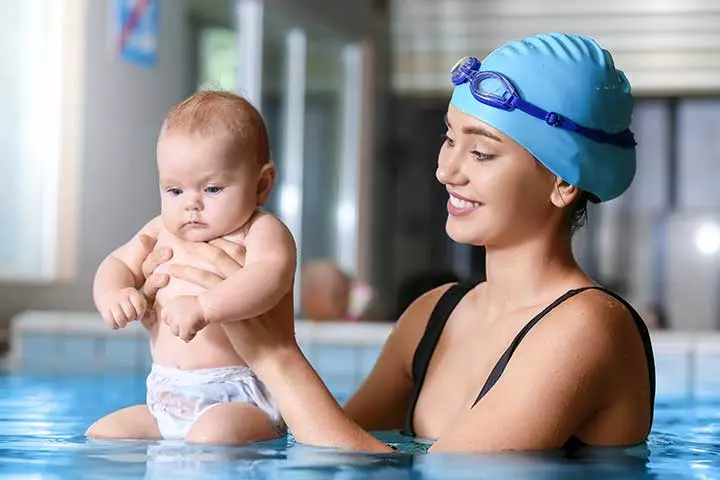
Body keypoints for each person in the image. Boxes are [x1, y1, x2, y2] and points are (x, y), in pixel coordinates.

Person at [139, 33, 655, 453]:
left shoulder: (588, 328)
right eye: (450, 138)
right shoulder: (434, 314)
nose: (446, 169)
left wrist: (274, 352)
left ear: (563, 182)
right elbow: (322, 447)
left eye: (481, 153)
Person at [87, 91, 296, 444]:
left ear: (261, 185)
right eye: (174, 191)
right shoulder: (159, 230)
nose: (191, 205)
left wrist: (205, 306)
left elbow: (270, 275)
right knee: (103, 435)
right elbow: (119, 262)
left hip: (238, 398)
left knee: (211, 438)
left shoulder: (259, 230)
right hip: (165, 398)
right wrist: (115, 293)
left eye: (212, 188)